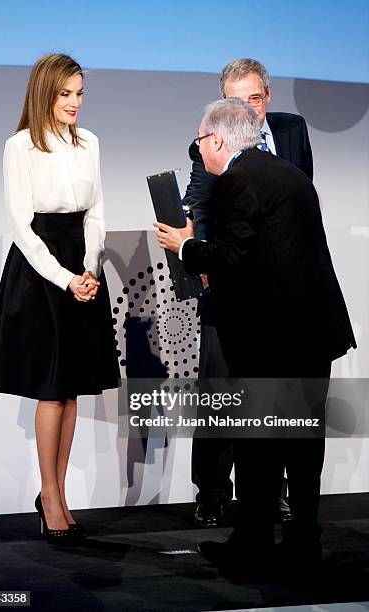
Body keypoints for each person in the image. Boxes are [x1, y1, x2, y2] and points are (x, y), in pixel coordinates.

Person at [154, 98, 356, 569]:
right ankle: (303, 540)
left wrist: (186, 246)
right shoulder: (290, 175)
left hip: (272, 337)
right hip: (313, 331)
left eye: (199, 141)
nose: (198, 151)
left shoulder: (236, 181)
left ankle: (253, 543)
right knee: (303, 446)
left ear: (217, 140)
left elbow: (231, 259)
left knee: (257, 444)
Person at [0, 54, 119, 544]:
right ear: (45, 93)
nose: (75, 103)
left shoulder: (91, 143)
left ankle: (58, 496)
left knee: (70, 390)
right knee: (50, 388)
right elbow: (22, 228)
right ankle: (49, 495)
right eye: (66, 94)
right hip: (41, 270)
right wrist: (65, 277)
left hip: (82, 263)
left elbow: (96, 212)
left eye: (80, 94)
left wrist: (89, 266)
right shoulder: (19, 146)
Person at [184, 58, 313, 528]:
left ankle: (270, 496)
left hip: (283, 293)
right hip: (228, 279)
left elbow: (303, 197)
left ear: (268, 98)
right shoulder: (209, 142)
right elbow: (199, 202)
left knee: (278, 400)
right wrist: (197, 256)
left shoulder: (293, 132)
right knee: (221, 390)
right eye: (236, 102)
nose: (248, 110)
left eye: (254, 99)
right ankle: (214, 492)